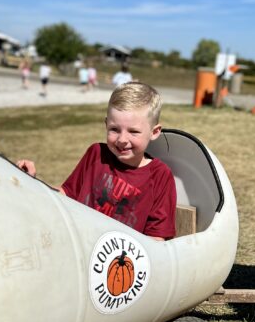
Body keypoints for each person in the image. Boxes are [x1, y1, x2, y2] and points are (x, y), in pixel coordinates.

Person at [17, 82, 176, 240]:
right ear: (106, 125)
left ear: (154, 132)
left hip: (120, 260)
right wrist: (32, 181)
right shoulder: (96, 154)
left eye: (133, 132)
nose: (122, 139)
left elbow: (156, 239)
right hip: (78, 244)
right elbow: (65, 195)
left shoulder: (160, 175)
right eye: (114, 129)